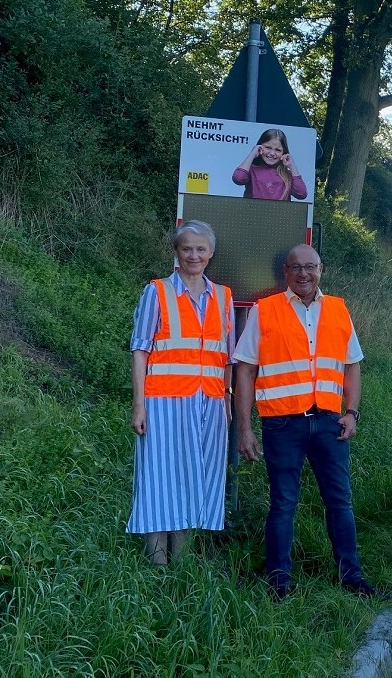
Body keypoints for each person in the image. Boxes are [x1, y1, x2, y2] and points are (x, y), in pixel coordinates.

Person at [233, 244, 376, 599]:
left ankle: (351, 576)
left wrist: (352, 412)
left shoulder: (339, 310)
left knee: (340, 501)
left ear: (321, 270)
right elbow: (245, 371)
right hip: (282, 424)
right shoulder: (264, 311)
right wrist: (245, 428)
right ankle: (278, 581)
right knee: (283, 503)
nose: (303, 274)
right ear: (286, 272)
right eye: (296, 267)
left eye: (310, 267)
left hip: (329, 422)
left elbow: (352, 365)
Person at [127, 220, 233, 564]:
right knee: (159, 481)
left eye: (200, 249)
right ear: (176, 252)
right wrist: (139, 405)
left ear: (210, 254)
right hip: (163, 402)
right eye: (186, 248)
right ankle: (157, 568)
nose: (193, 255)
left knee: (194, 480)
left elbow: (227, 356)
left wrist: (228, 400)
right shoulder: (156, 292)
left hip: (210, 405)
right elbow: (140, 349)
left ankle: (181, 567)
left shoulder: (223, 297)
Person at [232, 128, 308, 201]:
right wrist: (252, 154)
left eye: (278, 150)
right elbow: (238, 178)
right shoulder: (252, 170)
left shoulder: (287, 175)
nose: (272, 153)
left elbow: (301, 194)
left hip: (279, 214)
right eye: (268, 148)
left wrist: (292, 166)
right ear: (260, 147)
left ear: (284, 153)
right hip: (253, 213)